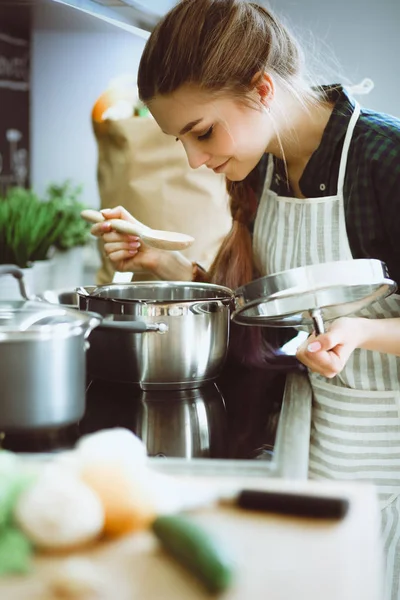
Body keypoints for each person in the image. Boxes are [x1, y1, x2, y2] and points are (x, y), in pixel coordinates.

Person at [90, 1, 400, 596]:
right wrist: (165, 264)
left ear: (261, 88)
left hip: (387, 464)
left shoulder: (381, 158)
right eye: (180, 140)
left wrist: (363, 333)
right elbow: (258, 302)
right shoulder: (265, 164)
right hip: (314, 444)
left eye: (202, 132)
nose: (194, 160)